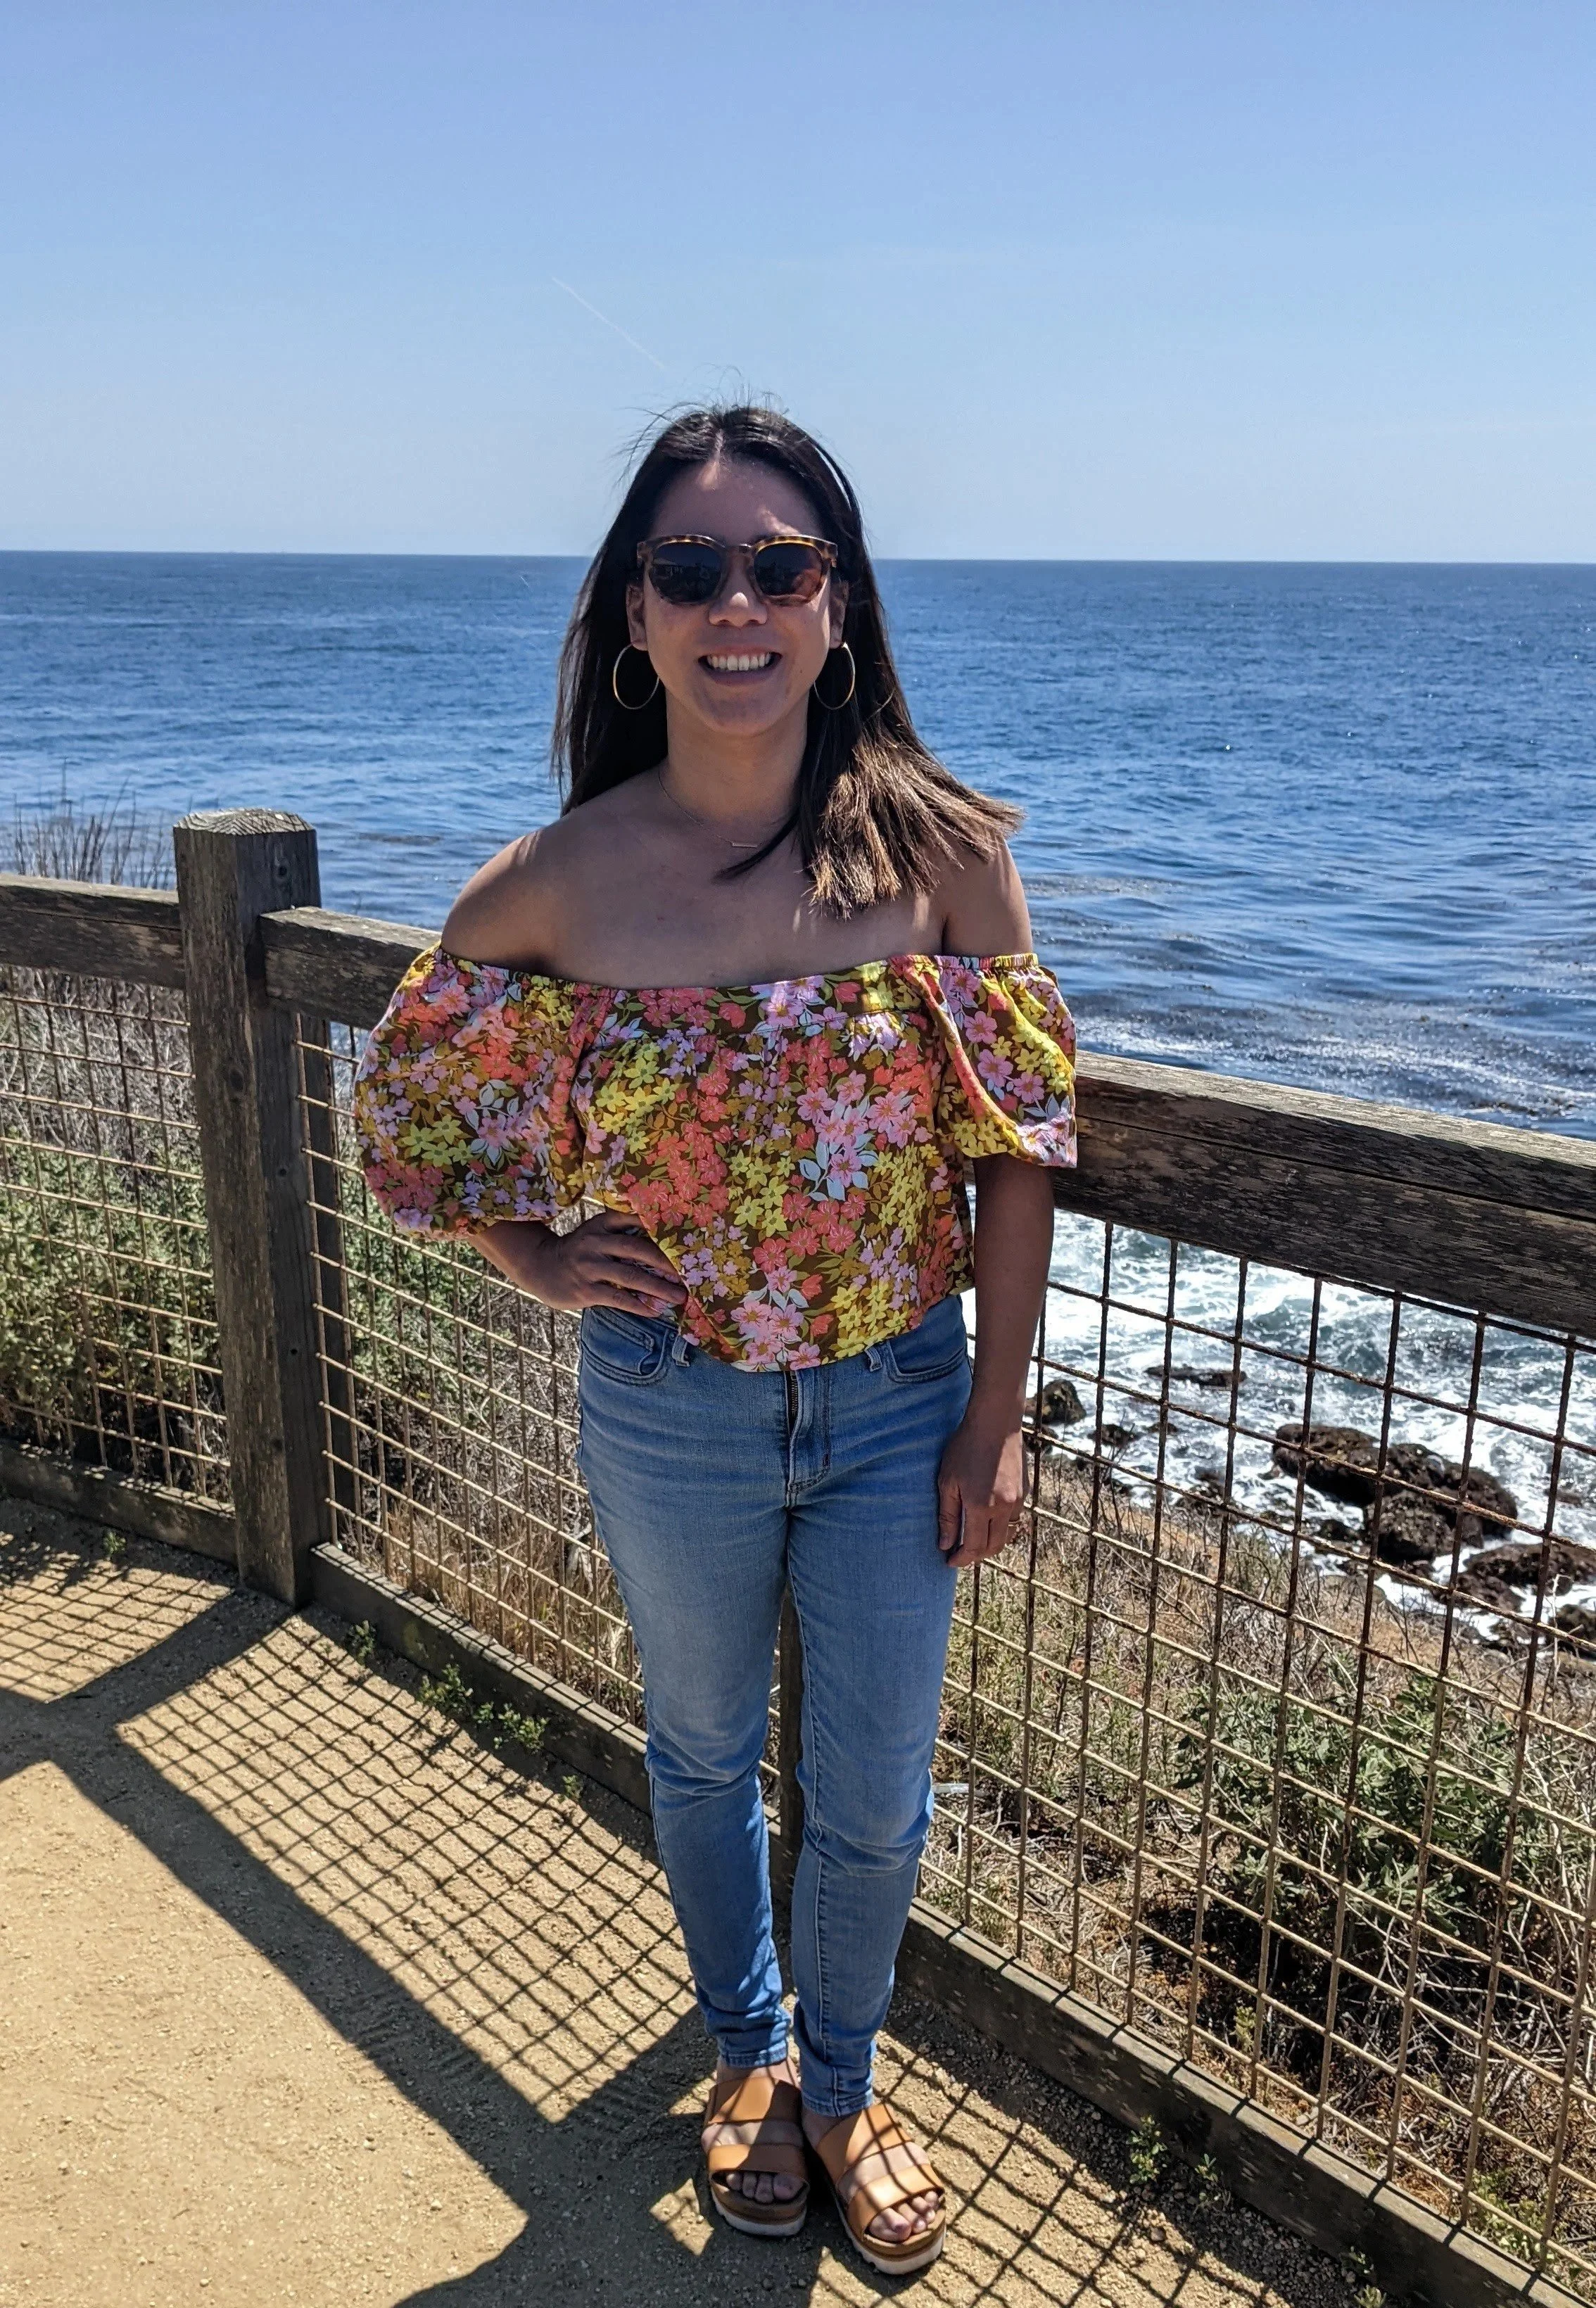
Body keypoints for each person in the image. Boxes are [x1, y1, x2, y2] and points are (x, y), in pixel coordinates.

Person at [353, 404, 1076, 2276]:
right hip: (666, 1409)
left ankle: (840, 2085)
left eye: (780, 564)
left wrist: (993, 1424)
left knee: (871, 1788)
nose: (735, 601)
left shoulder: (937, 858)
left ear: (838, 604)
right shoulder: (558, 880)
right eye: (691, 570)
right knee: (693, 1750)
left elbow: (1013, 1148)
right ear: (628, 618)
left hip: (894, 1394)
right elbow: (408, 1118)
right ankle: (749, 2060)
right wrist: (532, 1258)